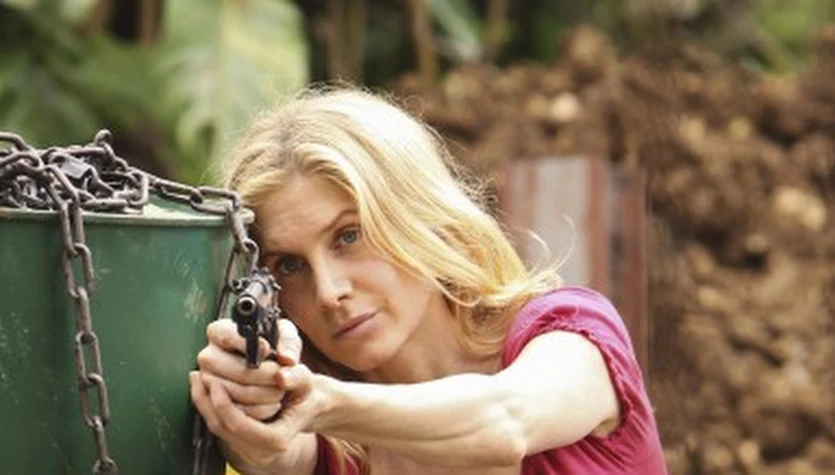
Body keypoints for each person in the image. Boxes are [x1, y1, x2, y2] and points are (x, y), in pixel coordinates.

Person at [189, 86, 668, 475]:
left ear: (419, 214)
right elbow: (273, 454)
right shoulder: (332, 451)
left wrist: (320, 404)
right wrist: (248, 406)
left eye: (349, 236)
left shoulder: (571, 333)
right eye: (289, 266)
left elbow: (506, 423)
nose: (329, 292)